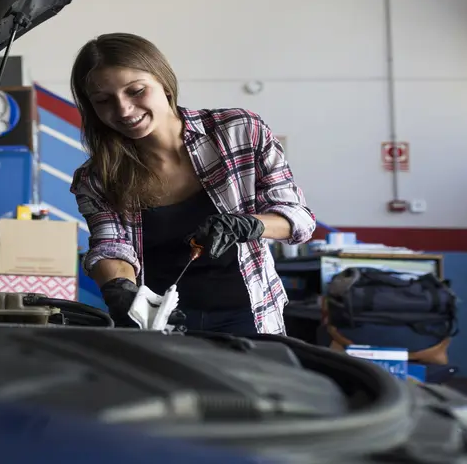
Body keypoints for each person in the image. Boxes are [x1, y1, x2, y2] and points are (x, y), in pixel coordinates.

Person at [69, 33, 316, 335]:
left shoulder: (239, 131)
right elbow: (111, 245)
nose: (123, 110)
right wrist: (119, 288)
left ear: (164, 81)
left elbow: (298, 219)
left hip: (251, 316)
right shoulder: (97, 177)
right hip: (161, 324)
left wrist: (247, 224)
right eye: (104, 101)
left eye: (136, 91)